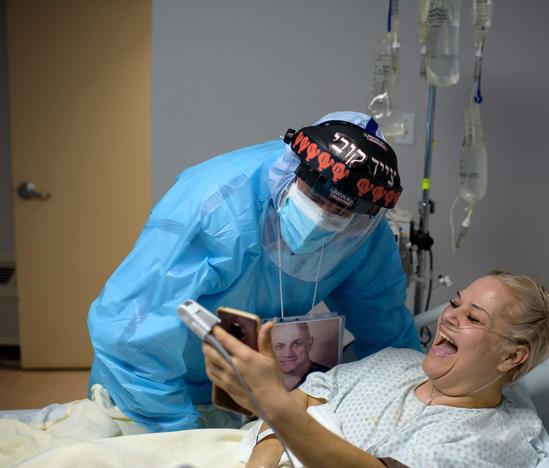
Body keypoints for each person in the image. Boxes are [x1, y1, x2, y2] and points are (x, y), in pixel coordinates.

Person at [87, 111, 421, 432]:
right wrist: (178, 431)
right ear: (295, 167)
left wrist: (416, 396)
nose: (324, 215)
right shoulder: (216, 205)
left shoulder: (362, 230)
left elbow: (385, 327)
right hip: (151, 390)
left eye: (342, 209)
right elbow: (132, 334)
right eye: (317, 193)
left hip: (257, 393)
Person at [203, 270, 549, 468]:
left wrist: (273, 405)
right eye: (455, 304)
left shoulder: (501, 437)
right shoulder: (397, 363)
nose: (451, 317)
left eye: (475, 318)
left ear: (512, 356)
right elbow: (306, 397)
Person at [271, 323, 330, 390]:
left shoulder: (326, 378)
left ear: (309, 344)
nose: (288, 354)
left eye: (296, 344)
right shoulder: (265, 377)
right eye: (280, 346)